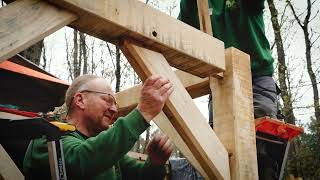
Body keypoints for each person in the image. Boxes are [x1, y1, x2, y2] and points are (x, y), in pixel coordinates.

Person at [179, 0, 280, 179]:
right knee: (221, 150)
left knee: (259, 147)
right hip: (220, 80)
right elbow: (181, 28)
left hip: (256, 77)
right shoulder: (197, 3)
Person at [23, 74, 174, 180]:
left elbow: (141, 177)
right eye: (107, 100)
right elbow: (82, 159)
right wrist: (143, 112)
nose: (114, 110)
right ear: (80, 100)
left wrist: (155, 163)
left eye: (115, 104)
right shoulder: (48, 139)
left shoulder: (107, 153)